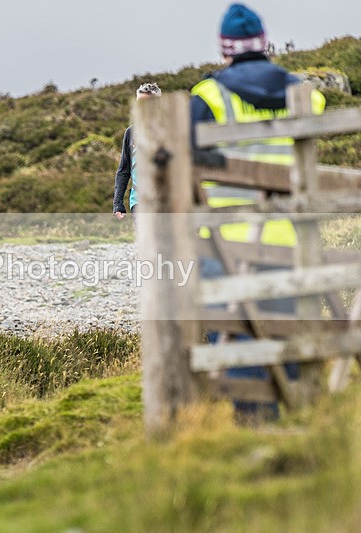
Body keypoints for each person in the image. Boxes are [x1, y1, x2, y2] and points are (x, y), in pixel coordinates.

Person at [190, 3, 325, 421]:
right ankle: (297, 421)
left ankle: (254, 426)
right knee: (286, 335)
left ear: (225, 49)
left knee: (238, 338)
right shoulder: (305, 94)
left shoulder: (207, 97)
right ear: (264, 44)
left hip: (227, 242)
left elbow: (184, 159)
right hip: (291, 238)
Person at [112, 82, 162, 220]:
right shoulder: (131, 132)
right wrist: (118, 203)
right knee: (146, 239)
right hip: (139, 200)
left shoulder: (169, 129)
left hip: (164, 198)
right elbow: (123, 169)